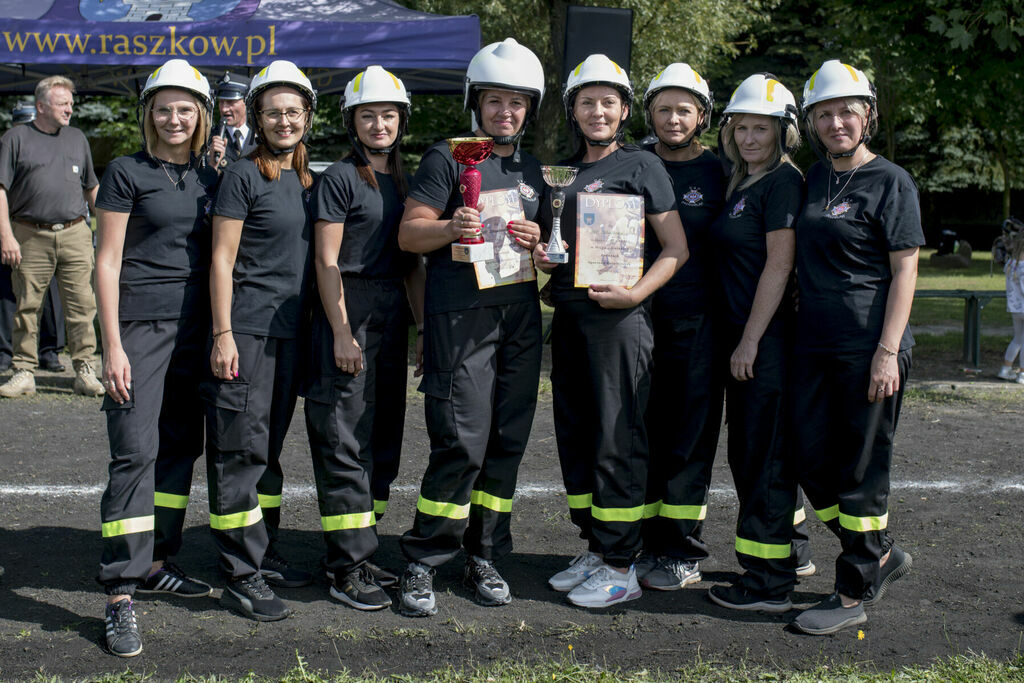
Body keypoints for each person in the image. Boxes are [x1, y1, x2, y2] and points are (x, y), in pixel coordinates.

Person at [396, 38, 545, 617]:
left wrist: (541, 243)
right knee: (461, 441)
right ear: (475, 102)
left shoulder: (534, 167)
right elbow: (410, 235)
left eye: (516, 102)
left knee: (506, 443)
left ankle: (484, 553)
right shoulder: (448, 158)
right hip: (460, 318)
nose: (505, 112)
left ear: (529, 107)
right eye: (494, 101)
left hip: (520, 316)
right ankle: (423, 560)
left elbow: (548, 249)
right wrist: (450, 226)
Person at [535, 54, 687, 608]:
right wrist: (545, 256)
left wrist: (636, 294)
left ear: (624, 110)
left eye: (607, 101)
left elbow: (676, 249)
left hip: (620, 322)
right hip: (571, 319)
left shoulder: (643, 166)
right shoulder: (563, 172)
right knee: (576, 434)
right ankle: (598, 546)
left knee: (617, 438)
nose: (596, 111)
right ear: (572, 109)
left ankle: (623, 563)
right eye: (586, 101)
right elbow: (562, 250)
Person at [94, 58, 219, 658]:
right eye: (164, 108)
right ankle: (120, 591)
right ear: (149, 114)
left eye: (185, 108)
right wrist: (111, 344)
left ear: (200, 115)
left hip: (195, 330)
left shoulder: (207, 176)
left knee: (177, 448)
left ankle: (155, 560)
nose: (174, 118)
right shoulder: (125, 171)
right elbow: (106, 261)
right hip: (139, 328)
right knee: (135, 452)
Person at [789, 60, 919, 635]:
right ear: (811, 121)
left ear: (867, 115)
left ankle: (852, 593)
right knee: (810, 459)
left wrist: (887, 351)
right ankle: (878, 551)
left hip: (869, 347)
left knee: (863, 467)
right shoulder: (815, 179)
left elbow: (906, 268)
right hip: (813, 346)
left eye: (848, 111)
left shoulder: (891, 180)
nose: (837, 122)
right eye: (825, 113)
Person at [305, 65, 425, 610]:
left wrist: (422, 328)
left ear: (402, 120)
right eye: (369, 115)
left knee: (382, 439)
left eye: (389, 115)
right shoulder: (339, 178)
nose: (380, 124)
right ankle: (344, 565)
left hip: (392, 316)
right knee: (344, 439)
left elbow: (413, 267)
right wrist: (341, 331)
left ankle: (363, 547)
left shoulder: (407, 180)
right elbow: (326, 261)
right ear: (352, 122)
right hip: (349, 310)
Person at [203, 59, 316, 621]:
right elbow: (221, 260)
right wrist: (223, 334)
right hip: (245, 331)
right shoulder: (242, 175)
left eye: (293, 112)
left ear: (307, 117)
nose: (284, 121)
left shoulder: (305, 177)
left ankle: (261, 552)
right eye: (274, 112)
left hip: (289, 335)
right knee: (238, 454)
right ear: (257, 116)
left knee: (267, 452)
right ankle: (239, 573)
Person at [703, 73, 804, 614]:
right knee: (753, 452)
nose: (748, 137)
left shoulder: (782, 182)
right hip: (744, 341)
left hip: (763, 345)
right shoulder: (741, 181)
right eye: (740, 127)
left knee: (762, 457)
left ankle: (768, 582)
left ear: (783, 132)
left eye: (760, 128)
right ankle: (790, 555)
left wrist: (749, 341)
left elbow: (780, 264)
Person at [634, 63, 725, 591]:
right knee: (645, 435)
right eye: (663, 109)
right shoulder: (635, 164)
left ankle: (682, 551)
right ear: (648, 113)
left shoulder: (721, 171)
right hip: (639, 321)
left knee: (689, 440)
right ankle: (645, 541)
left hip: (700, 326)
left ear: (703, 116)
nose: (673, 119)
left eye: (683, 110)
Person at [0, 75, 104, 398]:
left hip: (75, 232)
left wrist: (110, 230)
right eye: (62, 104)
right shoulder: (15, 138)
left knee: (82, 305)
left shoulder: (77, 139)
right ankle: (24, 371)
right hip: (30, 234)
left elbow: (92, 189)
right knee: (27, 306)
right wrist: (6, 236)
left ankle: (85, 369)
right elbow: (0, 190)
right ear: (41, 106)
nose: (69, 109)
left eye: (71, 104)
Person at [1, 101, 66, 374]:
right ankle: (6, 352)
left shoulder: (52, 147)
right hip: (14, 229)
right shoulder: (8, 146)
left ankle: (50, 351)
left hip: (45, 230)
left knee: (51, 295)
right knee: (9, 294)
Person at [207, 71, 256, 171]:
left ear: (247, 102)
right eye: (221, 102)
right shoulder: (208, 139)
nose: (224, 109)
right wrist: (213, 166)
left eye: (230, 102)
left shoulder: (260, 139)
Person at [997, 227, 1024, 383]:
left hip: (1015, 308)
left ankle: (1006, 368)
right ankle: (1022, 373)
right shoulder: (1023, 266)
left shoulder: (1010, 264)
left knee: (1018, 339)